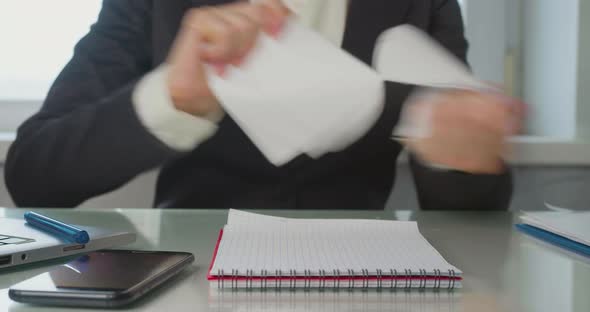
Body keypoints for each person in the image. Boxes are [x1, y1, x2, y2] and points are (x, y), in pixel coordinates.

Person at [4, 0, 522, 210]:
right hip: (193, 279)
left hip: (364, 281)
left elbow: (466, 210)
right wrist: (174, 99)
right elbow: (34, 174)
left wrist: (464, 160)